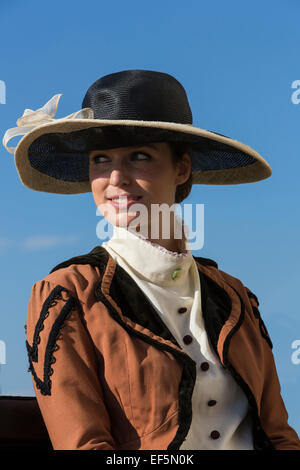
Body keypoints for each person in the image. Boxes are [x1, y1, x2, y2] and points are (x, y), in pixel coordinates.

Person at [3, 70, 300, 450]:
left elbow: (279, 433)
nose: (115, 178)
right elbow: (84, 445)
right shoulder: (68, 293)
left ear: (182, 168)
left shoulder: (235, 296)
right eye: (100, 160)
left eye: (139, 157)